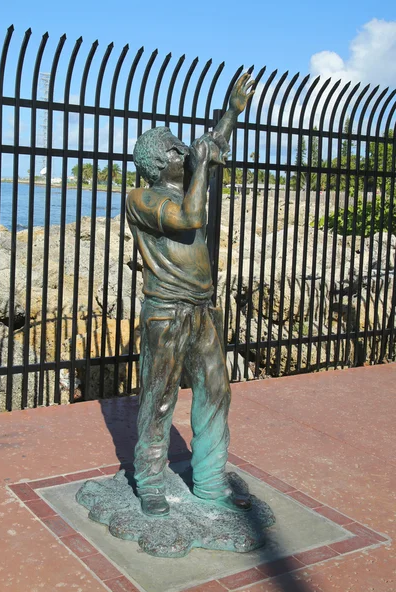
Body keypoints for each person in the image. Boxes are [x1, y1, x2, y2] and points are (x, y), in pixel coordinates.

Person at [126, 73, 254, 517]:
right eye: (177, 148)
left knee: (216, 391)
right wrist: (201, 165)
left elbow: (210, 143)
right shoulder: (140, 197)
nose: (186, 150)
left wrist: (232, 111)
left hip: (202, 310)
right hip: (166, 312)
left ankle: (210, 481)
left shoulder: (184, 180)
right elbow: (189, 218)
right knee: (159, 397)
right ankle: (149, 480)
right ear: (161, 161)